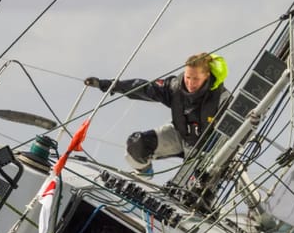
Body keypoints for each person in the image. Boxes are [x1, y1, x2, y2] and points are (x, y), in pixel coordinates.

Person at [84, 52, 228, 174]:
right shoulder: (175, 87)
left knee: (192, 185)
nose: (190, 83)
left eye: (195, 79)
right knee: (136, 144)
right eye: (188, 77)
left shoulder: (221, 97)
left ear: (207, 76)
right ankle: (143, 176)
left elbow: (239, 126)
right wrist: (108, 85)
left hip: (207, 148)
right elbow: (145, 88)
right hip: (180, 135)